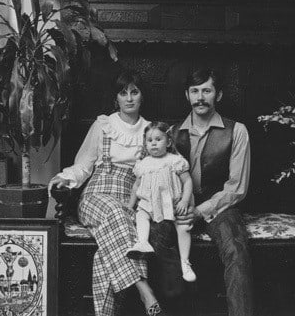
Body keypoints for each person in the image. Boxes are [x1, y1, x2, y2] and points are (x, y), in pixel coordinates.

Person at [49, 70, 167, 316]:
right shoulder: (103, 125)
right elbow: (84, 165)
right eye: (123, 93)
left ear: (142, 96)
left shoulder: (151, 131)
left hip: (131, 197)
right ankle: (145, 291)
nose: (129, 98)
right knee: (116, 213)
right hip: (96, 195)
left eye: (134, 92)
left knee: (108, 247)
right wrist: (65, 178)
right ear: (116, 98)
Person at [171, 68, 253, 316]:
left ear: (218, 95)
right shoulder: (171, 133)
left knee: (236, 249)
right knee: (154, 242)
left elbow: (237, 187)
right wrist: (181, 209)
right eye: (194, 91)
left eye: (206, 90)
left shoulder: (237, 130)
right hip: (180, 207)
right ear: (187, 95)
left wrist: (200, 211)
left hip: (221, 207)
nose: (200, 97)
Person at [125, 121, 196, 283]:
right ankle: (143, 242)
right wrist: (130, 205)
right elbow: (136, 186)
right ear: (145, 144)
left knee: (184, 226)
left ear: (169, 142)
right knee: (141, 215)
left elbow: (188, 181)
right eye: (150, 141)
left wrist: (185, 201)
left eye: (158, 139)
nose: (154, 143)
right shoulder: (143, 164)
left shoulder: (174, 160)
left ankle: (185, 261)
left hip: (173, 203)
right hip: (149, 204)